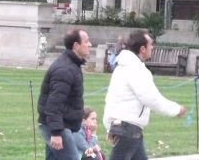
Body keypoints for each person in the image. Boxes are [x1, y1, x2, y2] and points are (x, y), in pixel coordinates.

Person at [103, 30, 186, 160]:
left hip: (128, 129)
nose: (152, 47)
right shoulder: (136, 70)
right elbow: (152, 99)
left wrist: (110, 126)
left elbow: (111, 100)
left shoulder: (123, 67)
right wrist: (176, 109)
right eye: (150, 44)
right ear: (142, 48)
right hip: (127, 129)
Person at [38, 28, 92, 160]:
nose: (90, 44)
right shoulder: (65, 69)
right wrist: (56, 133)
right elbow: (54, 104)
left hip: (60, 125)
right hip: (58, 127)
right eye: (87, 41)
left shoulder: (72, 65)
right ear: (76, 45)